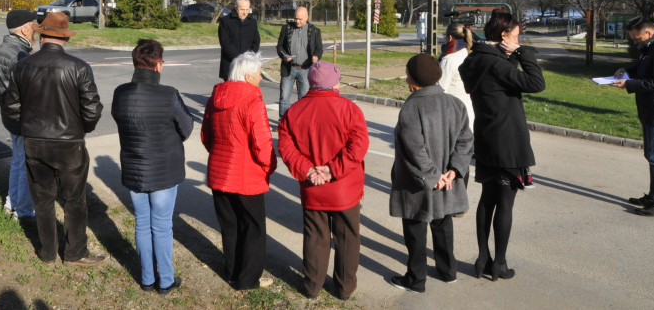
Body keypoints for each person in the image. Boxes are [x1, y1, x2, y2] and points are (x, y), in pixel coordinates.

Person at [2, 12, 104, 266]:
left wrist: (25, 130)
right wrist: (82, 130)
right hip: (69, 143)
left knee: (43, 201)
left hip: (35, 141)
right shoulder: (79, 67)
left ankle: (47, 253)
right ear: (65, 38)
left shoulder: (22, 66)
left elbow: (11, 108)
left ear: (40, 35)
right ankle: (75, 252)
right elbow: (92, 109)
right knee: (74, 201)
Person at [458, 9, 545, 281]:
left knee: (488, 199)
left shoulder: (476, 60)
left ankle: (483, 257)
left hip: (486, 138)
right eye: (516, 36)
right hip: (507, 142)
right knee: (505, 203)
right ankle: (499, 264)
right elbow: (536, 83)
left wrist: (512, 53)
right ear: (505, 36)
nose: (519, 40)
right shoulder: (499, 65)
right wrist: (522, 53)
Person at [277, 61, 369, 301]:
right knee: (347, 238)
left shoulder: (294, 111)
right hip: (344, 188)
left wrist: (308, 170)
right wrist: (332, 170)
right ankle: (345, 288)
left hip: (312, 187)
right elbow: (358, 147)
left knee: (315, 237)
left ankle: (312, 285)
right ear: (334, 83)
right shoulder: (350, 109)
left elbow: (286, 146)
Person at [112, 39, 195, 294]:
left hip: (134, 167)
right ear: (158, 64)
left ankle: (148, 278)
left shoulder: (120, 92)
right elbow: (187, 127)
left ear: (136, 63)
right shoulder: (168, 94)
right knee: (161, 225)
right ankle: (166, 281)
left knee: (142, 222)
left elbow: (121, 121)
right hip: (164, 170)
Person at [388, 53, 473, 291]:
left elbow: (415, 150)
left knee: (415, 228)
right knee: (443, 222)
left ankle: (416, 279)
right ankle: (448, 271)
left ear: (414, 79)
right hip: (446, 180)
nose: (406, 79)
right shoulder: (456, 104)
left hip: (417, 183)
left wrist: (433, 176)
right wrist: (454, 171)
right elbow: (466, 142)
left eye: (407, 74)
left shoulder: (411, 107)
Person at [201, 51, 277, 290]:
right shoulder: (253, 101)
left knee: (230, 226)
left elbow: (206, 136)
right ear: (247, 75)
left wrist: (219, 155)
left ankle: (232, 271)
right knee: (253, 228)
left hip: (219, 172)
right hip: (246, 176)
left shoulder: (215, 98)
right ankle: (248, 279)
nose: (261, 78)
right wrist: (269, 167)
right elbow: (262, 143)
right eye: (258, 74)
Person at [611, 16, 654, 217]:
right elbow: (643, 71)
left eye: (637, 38)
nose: (635, 42)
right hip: (650, 110)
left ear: (648, 33)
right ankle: (652, 196)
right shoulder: (649, 48)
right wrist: (627, 71)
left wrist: (628, 85)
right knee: (651, 156)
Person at [0, 10, 37, 221]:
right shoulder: (17, 54)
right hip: (22, 116)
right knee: (26, 164)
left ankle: (12, 203)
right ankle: (24, 211)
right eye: (33, 25)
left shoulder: (5, 49)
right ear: (24, 29)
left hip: (11, 114)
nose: (35, 30)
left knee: (18, 161)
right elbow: (29, 89)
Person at [275, 7, 323, 118]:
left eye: (300, 19)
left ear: (307, 17)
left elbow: (319, 49)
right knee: (284, 98)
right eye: (295, 18)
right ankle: (282, 122)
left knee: (304, 99)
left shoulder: (315, 31)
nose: (297, 21)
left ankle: (302, 122)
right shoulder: (286, 28)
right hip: (289, 68)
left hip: (305, 69)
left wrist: (316, 56)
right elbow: (279, 47)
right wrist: (284, 56)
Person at [438, 23, 476, 135]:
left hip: (452, 111)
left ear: (450, 37)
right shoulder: (470, 55)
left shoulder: (448, 60)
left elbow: (440, 90)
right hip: (469, 109)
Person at [218, 0, 261, 81]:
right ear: (236, 7)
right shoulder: (226, 21)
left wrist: (249, 58)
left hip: (247, 65)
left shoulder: (252, 22)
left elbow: (256, 41)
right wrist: (239, 58)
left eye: (247, 9)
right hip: (230, 64)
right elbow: (225, 43)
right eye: (242, 10)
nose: (245, 12)